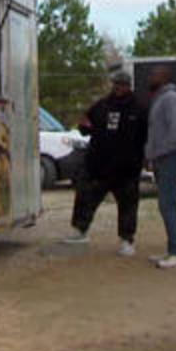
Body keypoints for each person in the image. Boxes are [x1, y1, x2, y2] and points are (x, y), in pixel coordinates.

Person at [64, 71, 148, 257]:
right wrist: (84, 126)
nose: (119, 87)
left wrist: (143, 159)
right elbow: (84, 126)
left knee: (128, 205)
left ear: (129, 86)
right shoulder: (101, 106)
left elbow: (146, 136)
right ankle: (80, 231)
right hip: (98, 165)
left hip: (127, 168)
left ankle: (126, 241)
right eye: (116, 84)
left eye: (123, 84)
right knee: (86, 198)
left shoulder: (139, 108)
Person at [145, 65, 176, 269]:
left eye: (155, 74)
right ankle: (172, 249)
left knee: (166, 204)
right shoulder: (160, 97)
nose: (151, 76)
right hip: (162, 156)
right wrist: (150, 155)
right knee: (168, 204)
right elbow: (155, 132)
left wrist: (162, 154)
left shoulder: (170, 98)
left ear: (164, 77)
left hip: (170, 156)